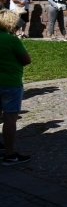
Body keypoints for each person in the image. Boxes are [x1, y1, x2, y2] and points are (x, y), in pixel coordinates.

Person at [0, 9, 32, 166]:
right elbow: (26, 60)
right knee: (9, 119)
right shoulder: (12, 41)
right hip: (10, 83)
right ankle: (9, 154)